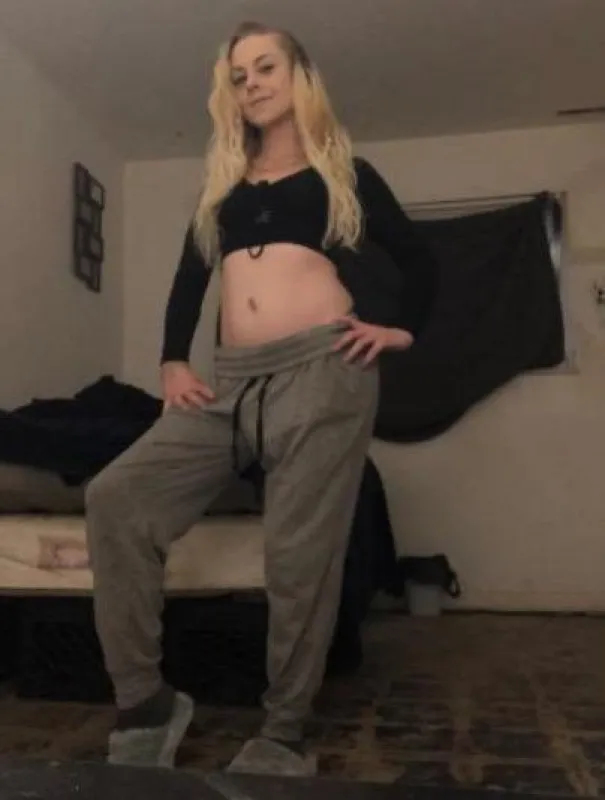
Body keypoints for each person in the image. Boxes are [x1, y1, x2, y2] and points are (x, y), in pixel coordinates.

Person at [85, 20, 439, 778]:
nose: (252, 84)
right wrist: (172, 361)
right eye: (239, 76)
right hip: (231, 380)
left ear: (299, 75)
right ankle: (146, 702)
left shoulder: (344, 174)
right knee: (116, 498)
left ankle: (283, 733)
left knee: (298, 553)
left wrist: (400, 329)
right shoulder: (222, 187)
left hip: (321, 371)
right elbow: (190, 279)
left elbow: (419, 260)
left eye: (265, 67)